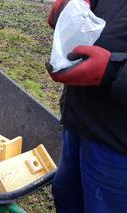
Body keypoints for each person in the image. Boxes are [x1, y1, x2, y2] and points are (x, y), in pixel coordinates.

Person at [46, 0, 127, 212]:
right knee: (65, 197)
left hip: (118, 145)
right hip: (78, 121)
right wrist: (68, 9)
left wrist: (112, 71)